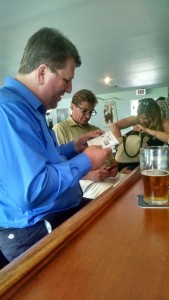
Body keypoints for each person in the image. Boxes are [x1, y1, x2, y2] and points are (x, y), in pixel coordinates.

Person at [0, 27, 112, 263]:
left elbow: (44, 159)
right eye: (67, 79)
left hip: (60, 213)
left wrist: (75, 147)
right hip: (35, 230)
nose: (70, 89)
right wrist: (87, 161)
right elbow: (32, 190)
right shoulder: (9, 111)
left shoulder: (33, 110)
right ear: (42, 73)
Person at [53, 89, 122, 199]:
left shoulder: (95, 130)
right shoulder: (60, 129)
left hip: (108, 177)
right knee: (116, 194)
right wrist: (90, 175)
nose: (88, 116)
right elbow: (59, 166)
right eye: (84, 111)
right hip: (83, 182)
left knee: (131, 183)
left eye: (91, 112)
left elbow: (110, 157)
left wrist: (114, 167)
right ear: (72, 107)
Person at [111, 98, 169, 171]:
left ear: (154, 116)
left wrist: (147, 130)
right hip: (134, 160)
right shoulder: (136, 119)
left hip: (156, 162)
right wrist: (120, 141)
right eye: (140, 117)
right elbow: (114, 126)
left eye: (145, 118)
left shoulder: (164, 123)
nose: (141, 121)